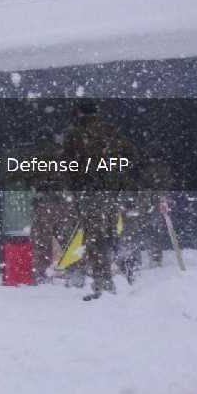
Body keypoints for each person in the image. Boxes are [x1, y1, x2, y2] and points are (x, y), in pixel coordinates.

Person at [60, 99, 135, 301]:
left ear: (78, 113)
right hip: (110, 193)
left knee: (94, 238)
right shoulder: (111, 131)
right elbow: (127, 158)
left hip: (89, 193)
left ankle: (105, 284)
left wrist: (74, 191)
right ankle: (125, 275)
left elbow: (69, 166)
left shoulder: (75, 133)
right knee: (111, 234)